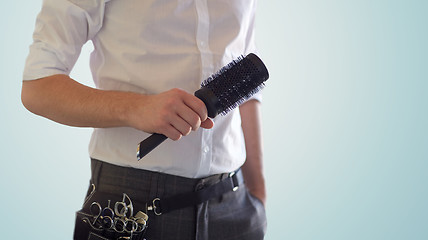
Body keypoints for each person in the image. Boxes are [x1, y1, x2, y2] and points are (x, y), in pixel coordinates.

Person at [21, 0, 267, 239]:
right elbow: (38, 87)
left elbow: (247, 80)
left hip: (235, 205)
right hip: (129, 204)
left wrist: (257, 193)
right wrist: (136, 108)